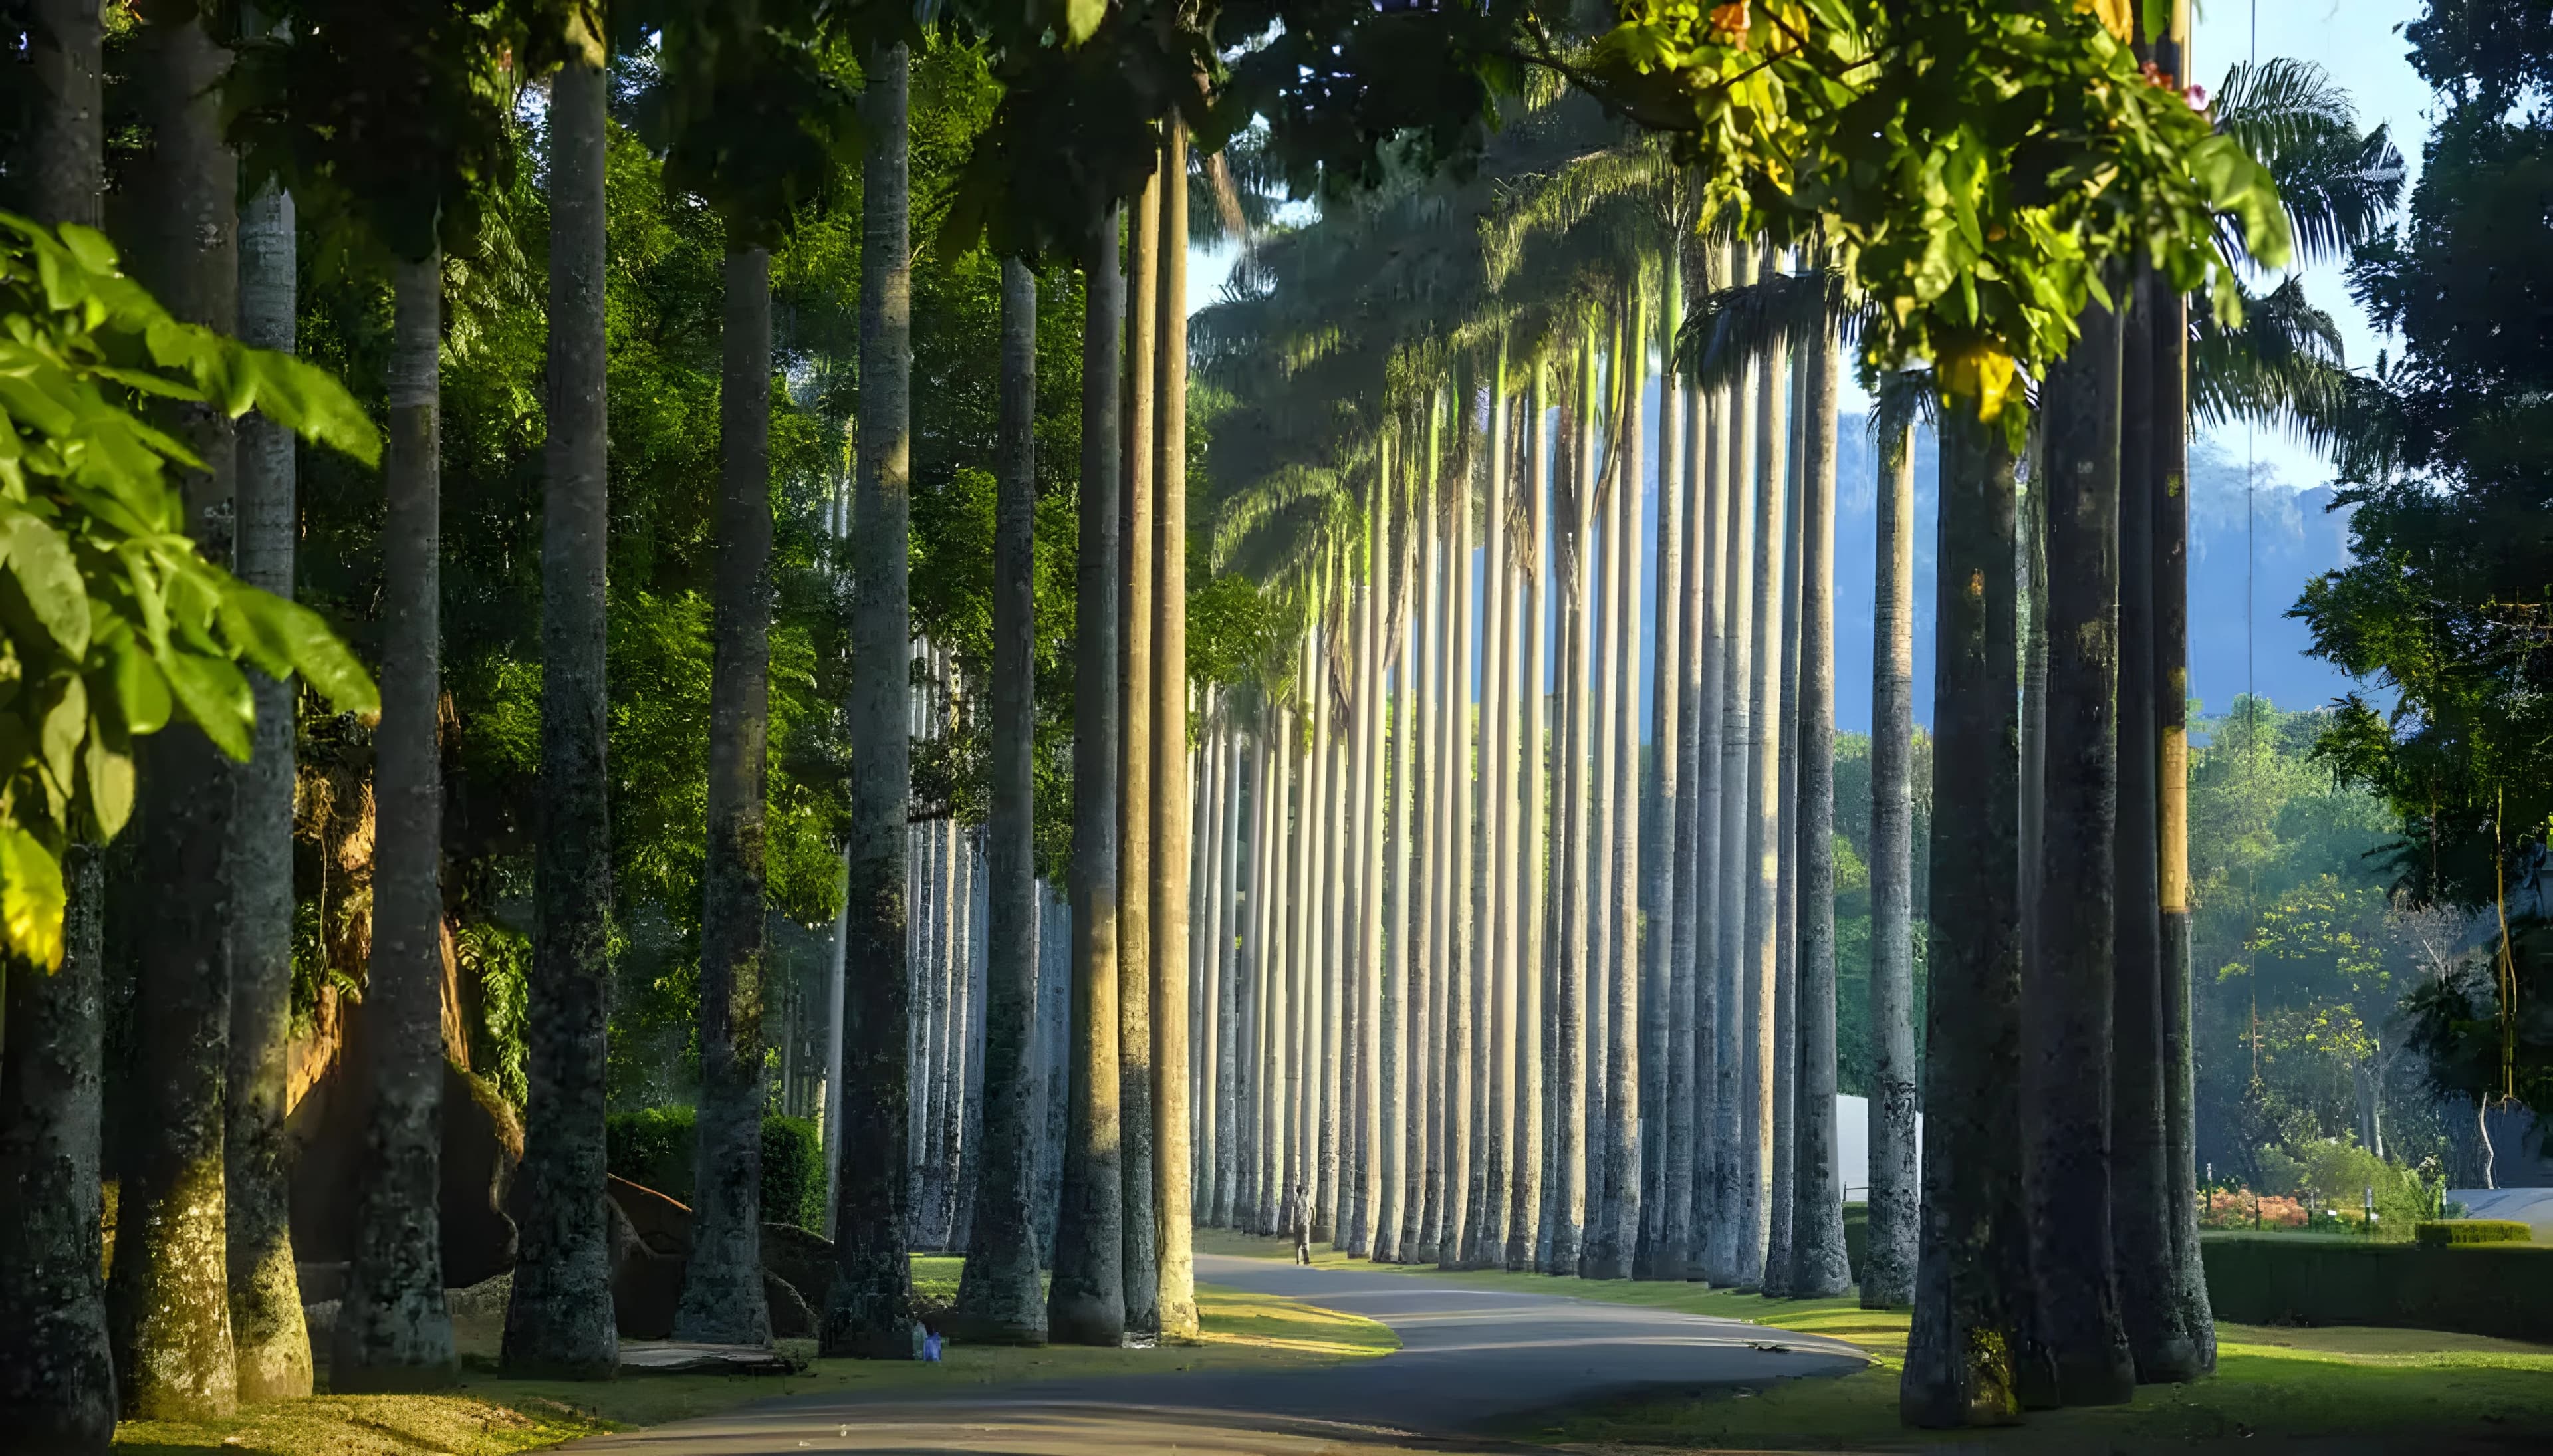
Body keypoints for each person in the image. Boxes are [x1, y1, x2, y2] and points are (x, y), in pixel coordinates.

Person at [1281, 1179, 1311, 1265]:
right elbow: (1309, 1211)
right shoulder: (1302, 1199)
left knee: (1300, 1243)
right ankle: (1303, 1259)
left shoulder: (1299, 1199)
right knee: (1302, 1242)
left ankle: (1301, 1259)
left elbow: (1308, 1210)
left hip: (1300, 1223)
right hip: (1302, 1223)